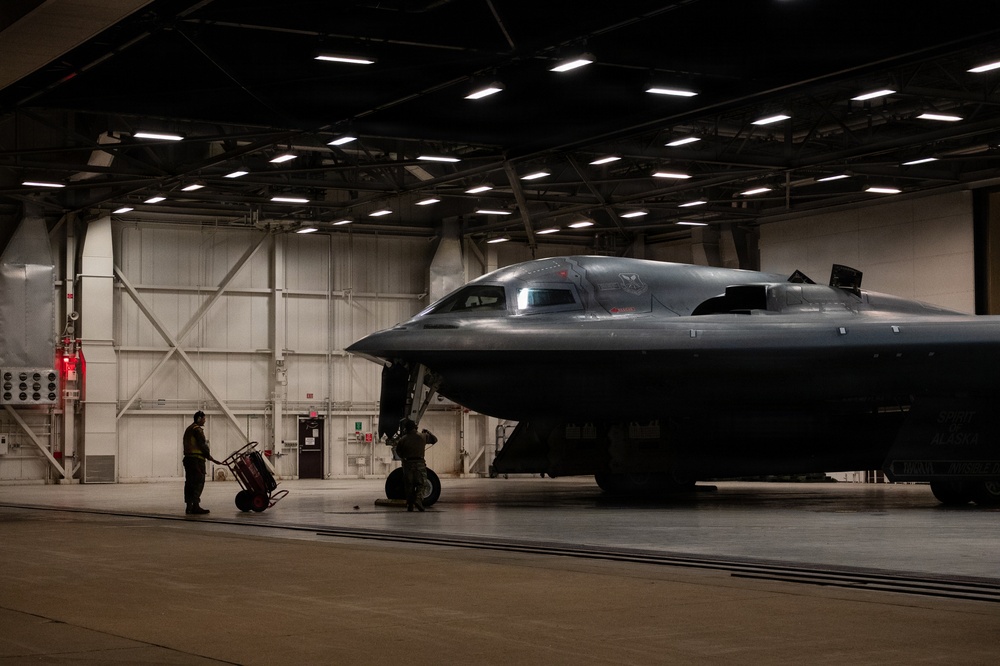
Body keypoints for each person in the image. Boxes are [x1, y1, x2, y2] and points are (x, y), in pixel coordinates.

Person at [393, 418, 437, 512]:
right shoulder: (423, 436)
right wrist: (427, 432)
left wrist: (404, 457)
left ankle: (410, 505)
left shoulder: (403, 439)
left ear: (406, 429)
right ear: (415, 427)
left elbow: (398, 451)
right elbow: (434, 440)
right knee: (422, 483)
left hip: (407, 464)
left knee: (409, 485)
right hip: (419, 463)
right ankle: (418, 499)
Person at [182, 411, 219, 515]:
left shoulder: (189, 429)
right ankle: (196, 506)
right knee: (198, 482)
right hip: (197, 461)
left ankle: (189, 507)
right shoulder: (197, 430)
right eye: (203, 419)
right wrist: (208, 455)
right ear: (199, 419)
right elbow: (202, 444)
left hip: (188, 459)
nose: (205, 421)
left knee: (189, 483)